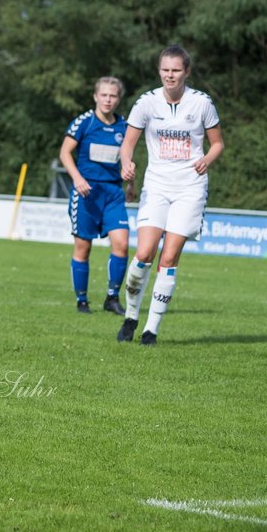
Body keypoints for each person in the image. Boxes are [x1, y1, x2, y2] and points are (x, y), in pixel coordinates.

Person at [117, 44, 224, 346]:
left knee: (169, 256)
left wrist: (207, 159)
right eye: (165, 70)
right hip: (157, 185)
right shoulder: (146, 103)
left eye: (176, 70)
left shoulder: (202, 103)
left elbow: (217, 144)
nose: (170, 75)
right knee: (144, 253)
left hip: (190, 187)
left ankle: (151, 330)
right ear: (159, 71)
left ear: (187, 72)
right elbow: (128, 144)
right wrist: (127, 164)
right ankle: (131, 316)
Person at [58, 77, 131, 315]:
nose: (108, 100)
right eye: (104, 95)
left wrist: (131, 184)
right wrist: (78, 178)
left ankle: (112, 298)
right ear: (95, 96)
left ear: (118, 99)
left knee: (121, 244)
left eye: (113, 96)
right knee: (83, 247)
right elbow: (65, 153)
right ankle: (82, 301)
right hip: (87, 193)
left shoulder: (125, 126)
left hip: (113, 193)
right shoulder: (84, 122)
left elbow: (127, 159)